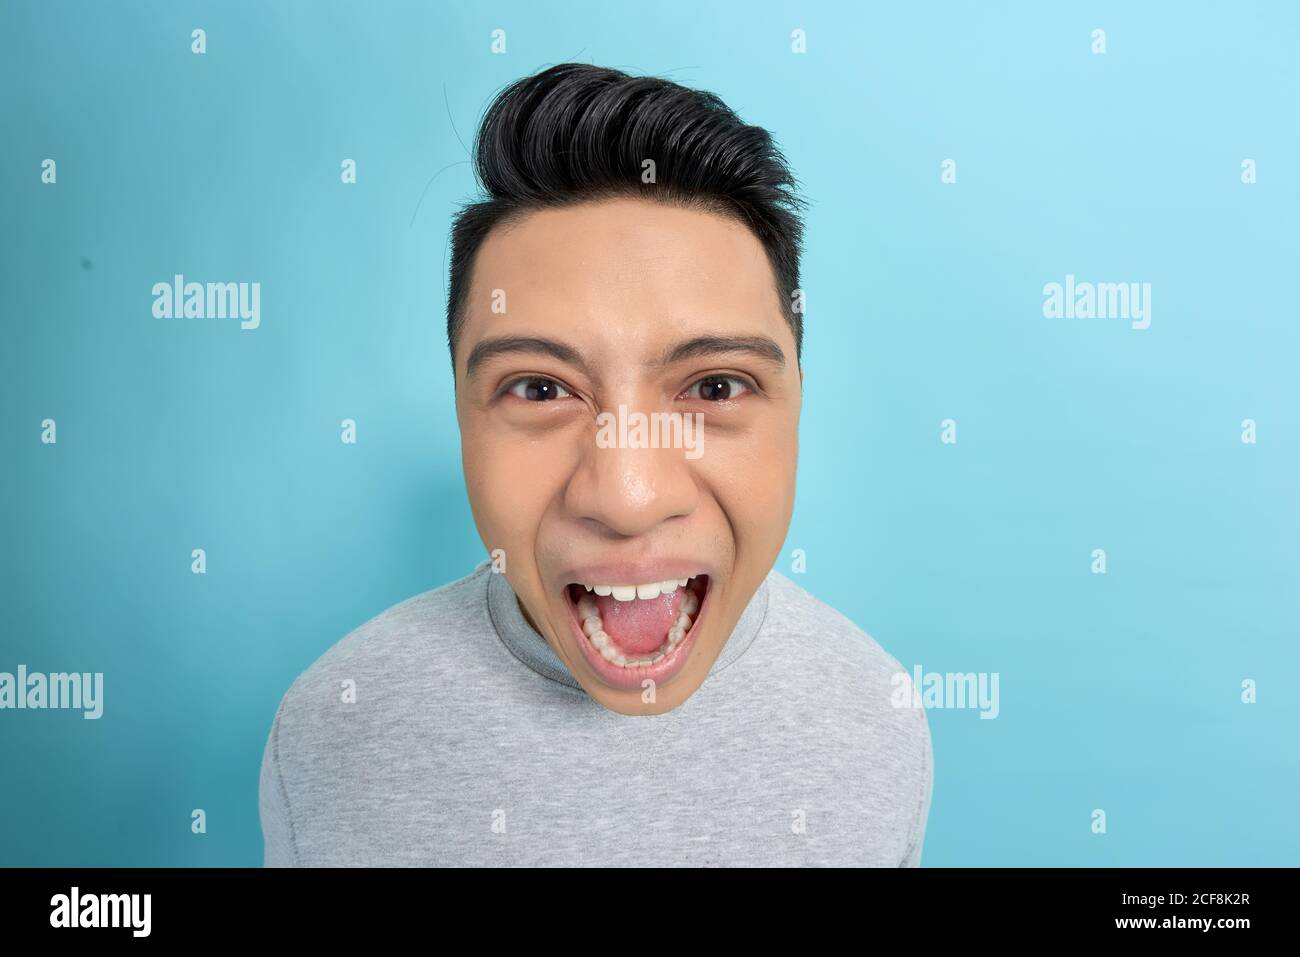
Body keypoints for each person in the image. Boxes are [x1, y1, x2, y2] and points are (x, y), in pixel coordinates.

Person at [259, 62, 932, 866]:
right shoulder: (335, 726)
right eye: (541, 388)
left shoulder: (876, 716)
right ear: (461, 414)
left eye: (716, 385)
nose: (628, 496)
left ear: (796, 404)